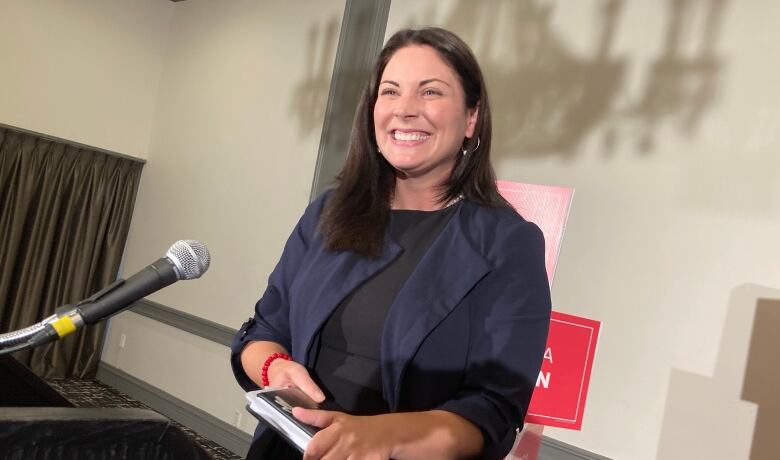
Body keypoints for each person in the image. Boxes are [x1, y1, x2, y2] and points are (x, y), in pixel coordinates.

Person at [231, 27, 551, 460]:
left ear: (471, 117)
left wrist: (384, 436)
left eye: (431, 92)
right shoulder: (327, 214)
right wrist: (276, 368)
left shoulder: (507, 244)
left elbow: (491, 411)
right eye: (390, 91)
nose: (405, 110)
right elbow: (264, 331)